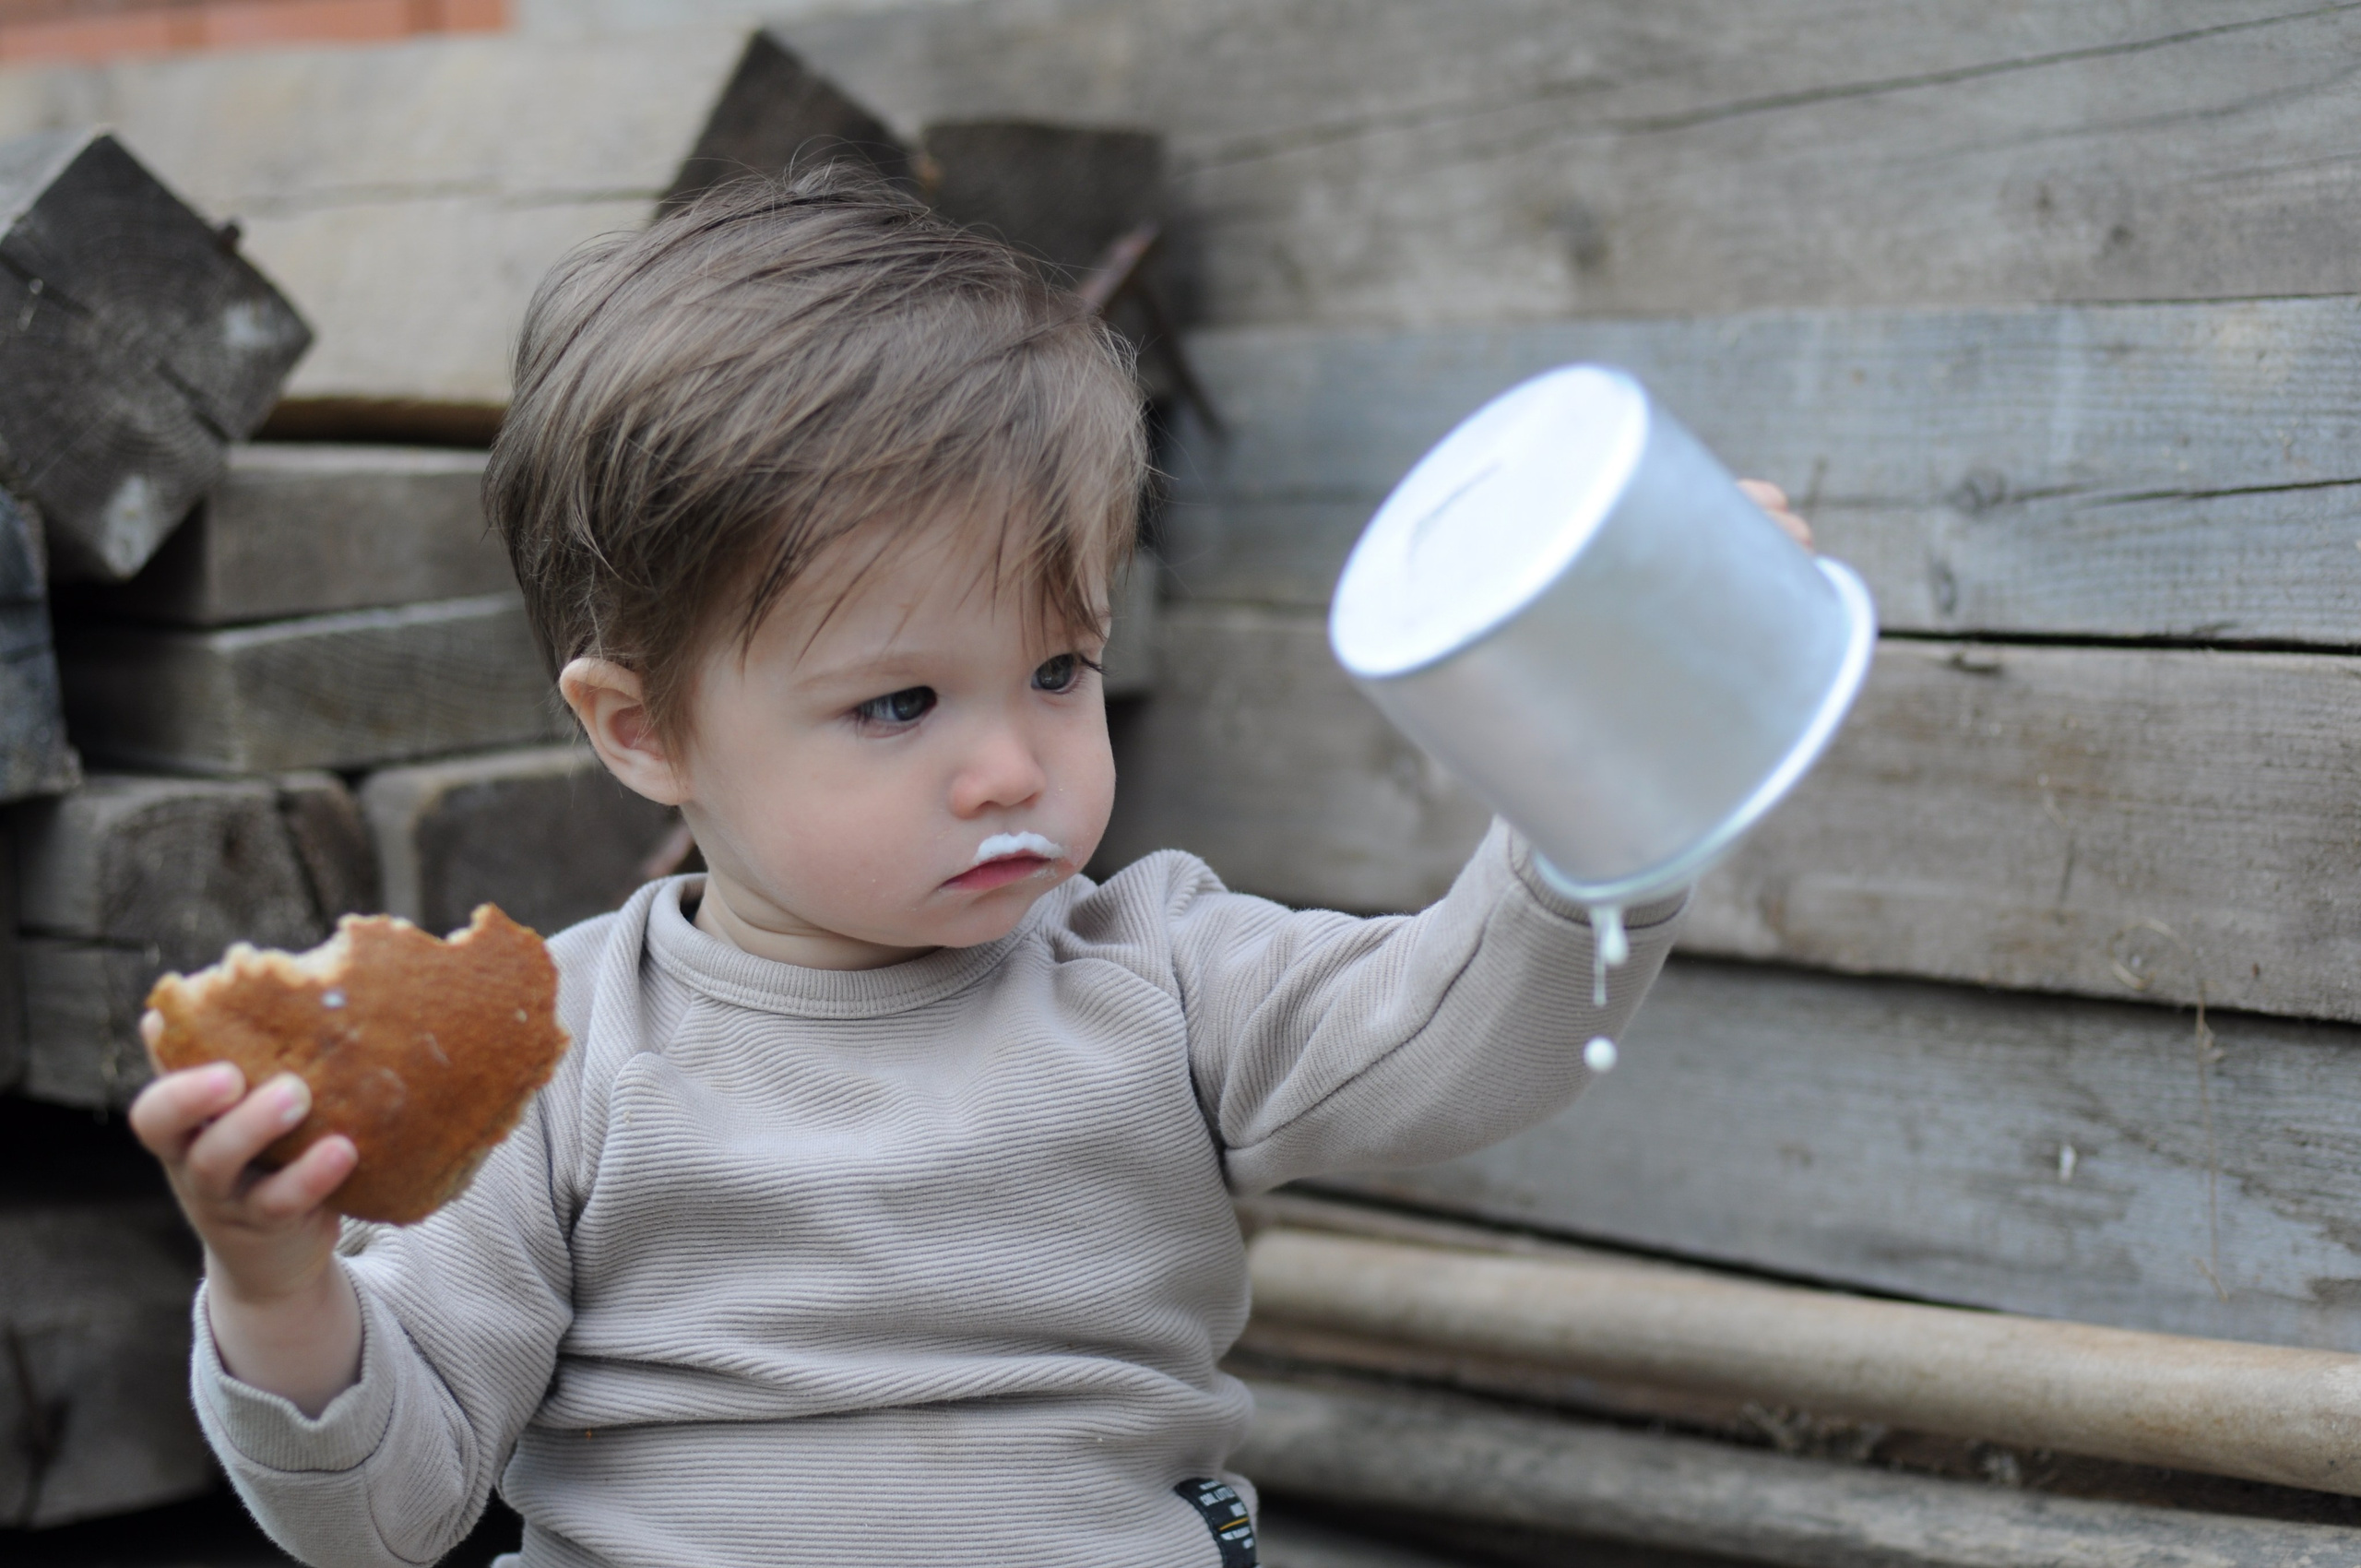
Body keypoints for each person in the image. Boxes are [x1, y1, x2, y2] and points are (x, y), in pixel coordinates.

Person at [129, 171, 1798, 1568]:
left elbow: (1455, 1045)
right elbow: (387, 1515)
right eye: (901, 703)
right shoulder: (562, 1052)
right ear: (643, 731)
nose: (1011, 763)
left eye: (1059, 671)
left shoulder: (1157, 973)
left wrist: (1612, 781)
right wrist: (278, 1291)